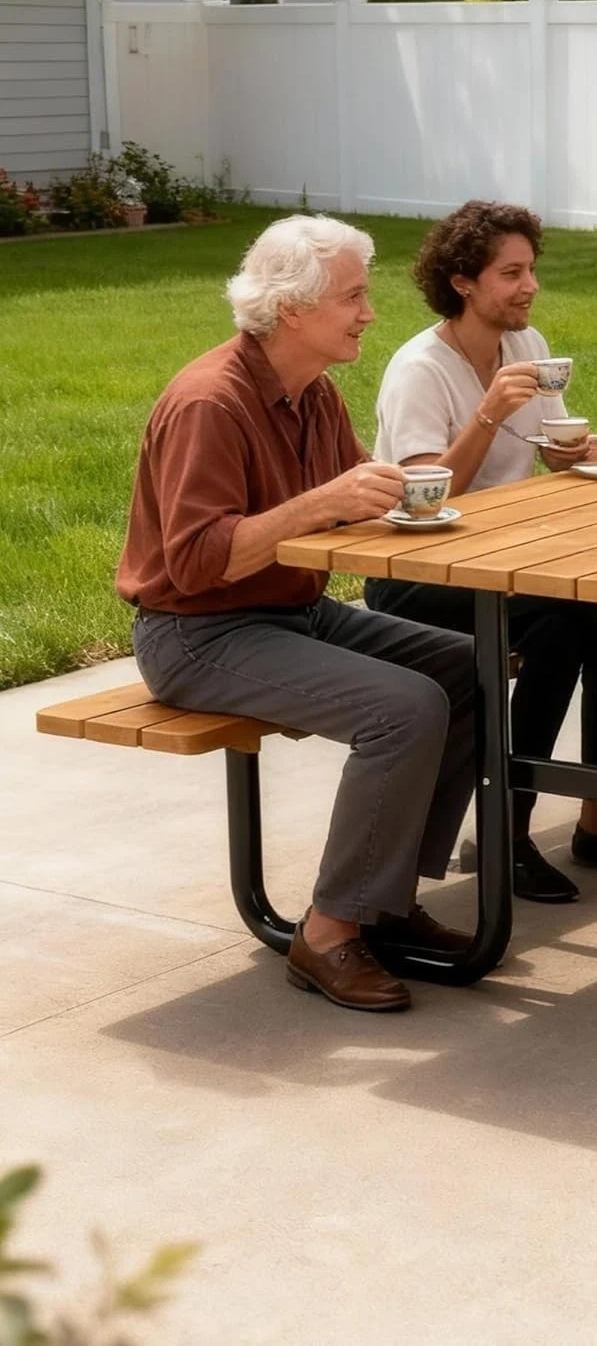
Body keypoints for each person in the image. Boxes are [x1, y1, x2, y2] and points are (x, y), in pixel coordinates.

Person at [118, 215, 475, 1014]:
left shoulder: (311, 392)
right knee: (405, 706)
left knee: (464, 663)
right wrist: (323, 504)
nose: (369, 312)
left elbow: (349, 498)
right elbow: (198, 562)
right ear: (291, 309)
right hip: (196, 633)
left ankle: (383, 906)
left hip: (287, 613)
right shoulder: (211, 402)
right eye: (353, 296)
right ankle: (328, 932)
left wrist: (389, 498)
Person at [364, 200, 597, 906]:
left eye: (531, 270)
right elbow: (426, 496)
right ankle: (535, 820)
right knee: (575, 618)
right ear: (462, 281)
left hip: (512, 556)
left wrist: (577, 454)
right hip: (420, 573)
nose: (529, 286)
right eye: (510, 273)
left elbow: (542, 456)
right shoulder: (421, 369)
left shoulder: (528, 345)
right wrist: (487, 414)